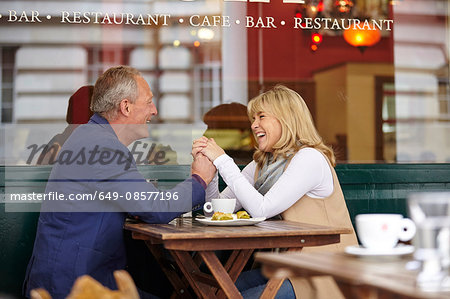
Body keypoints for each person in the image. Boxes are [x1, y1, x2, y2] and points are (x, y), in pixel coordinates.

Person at [23, 66, 216, 299]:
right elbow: (154, 208)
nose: (154, 111)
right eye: (149, 102)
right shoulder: (102, 146)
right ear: (125, 107)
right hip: (75, 287)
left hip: (71, 278)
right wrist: (200, 179)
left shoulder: (92, 138)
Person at [193, 85, 357, 299]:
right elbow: (216, 211)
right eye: (253, 118)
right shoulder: (262, 162)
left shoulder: (309, 158)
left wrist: (223, 161)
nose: (254, 125)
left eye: (261, 116)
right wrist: (210, 171)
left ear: (286, 119)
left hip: (320, 271)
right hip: (283, 266)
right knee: (212, 292)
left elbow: (262, 208)